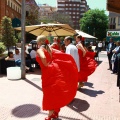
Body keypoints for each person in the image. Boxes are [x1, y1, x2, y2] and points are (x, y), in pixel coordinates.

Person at [36, 35, 78, 120]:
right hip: (52, 72)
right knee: (54, 92)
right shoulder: (49, 49)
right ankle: (55, 113)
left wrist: (46, 65)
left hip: (47, 73)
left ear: (40, 42)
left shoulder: (40, 49)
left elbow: (43, 57)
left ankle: (50, 115)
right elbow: (61, 53)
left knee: (48, 94)